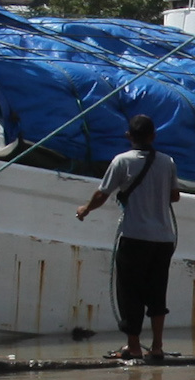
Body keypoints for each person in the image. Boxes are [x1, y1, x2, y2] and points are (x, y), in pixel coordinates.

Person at [78, 110, 182, 362]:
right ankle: (157, 347)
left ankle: (134, 347)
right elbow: (175, 196)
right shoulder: (167, 162)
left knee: (130, 294)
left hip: (135, 236)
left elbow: (102, 194)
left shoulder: (122, 161)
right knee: (157, 293)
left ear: (128, 136)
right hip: (163, 239)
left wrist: (85, 209)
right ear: (153, 136)